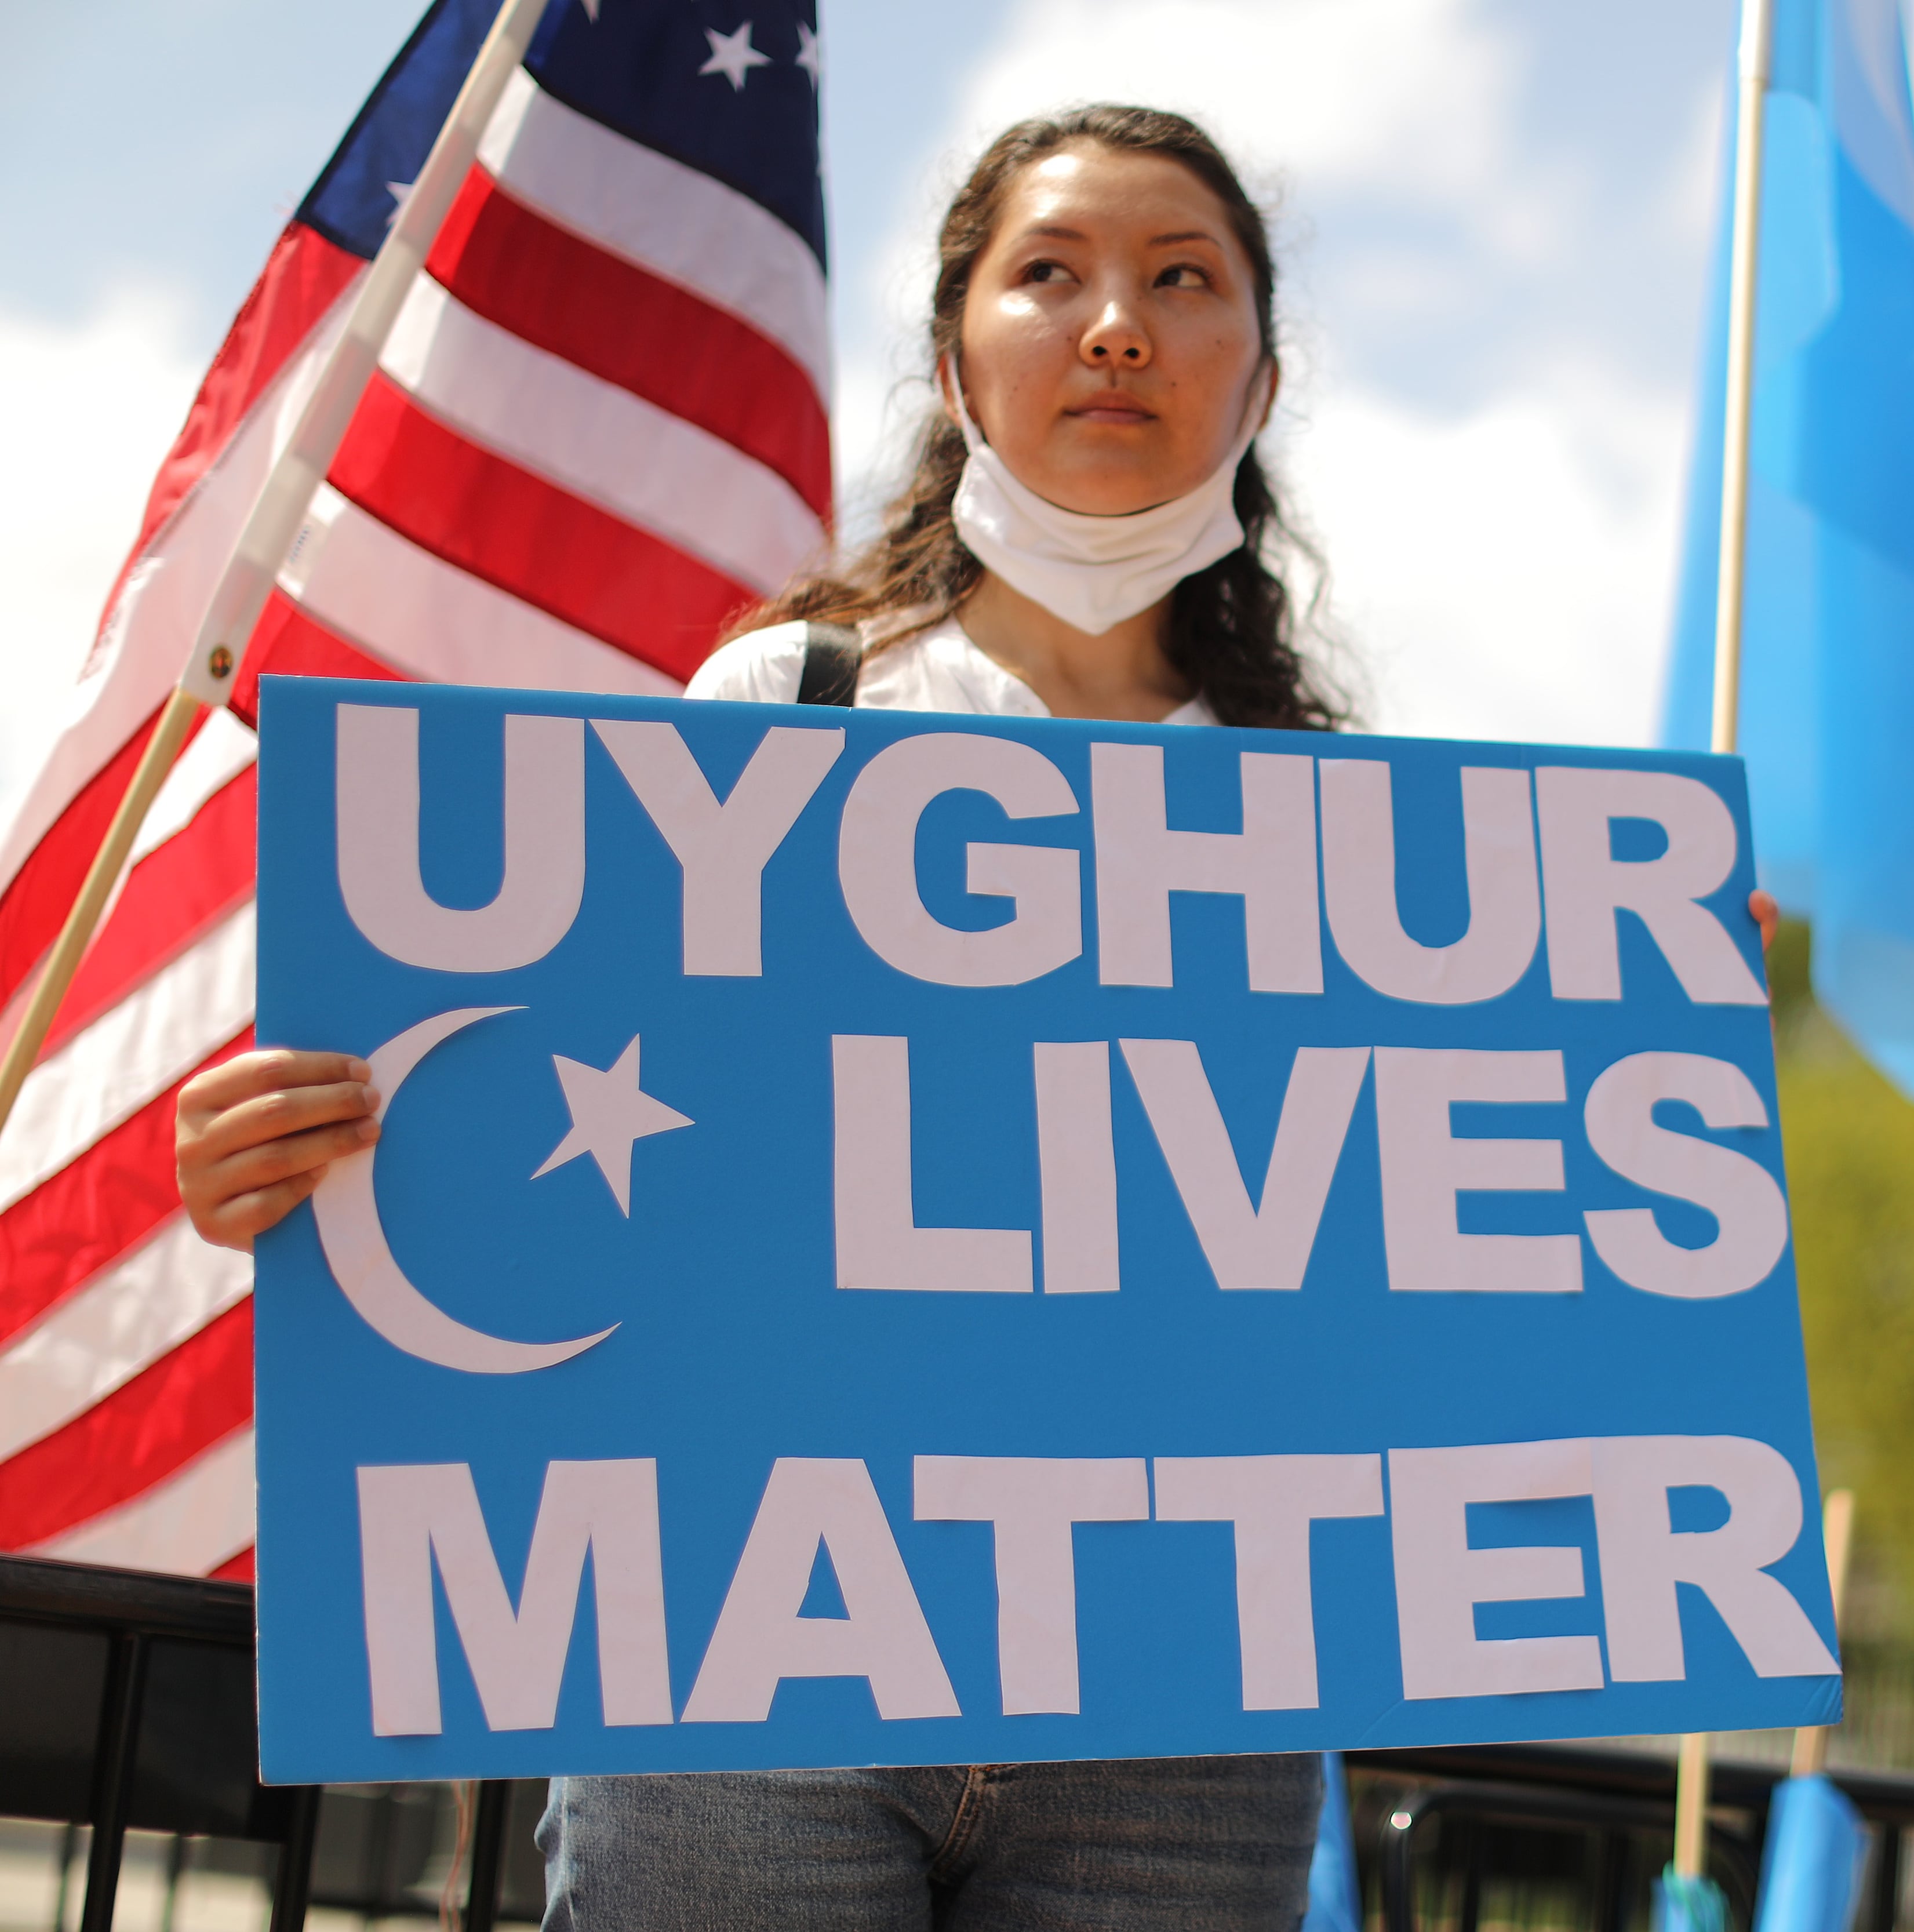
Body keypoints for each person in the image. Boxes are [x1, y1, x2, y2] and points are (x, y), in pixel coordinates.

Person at [178, 99, 1774, 1931]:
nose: (1119, 327)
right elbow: (593, 1154)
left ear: (1260, 384)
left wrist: (1647, 1027)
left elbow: (1444, 1283)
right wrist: (318, 1157)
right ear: (955, 365)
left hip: (1186, 1719)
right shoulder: (788, 707)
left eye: (1184, 280)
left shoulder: (1352, 839)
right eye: (1052, 275)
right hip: (752, 1680)